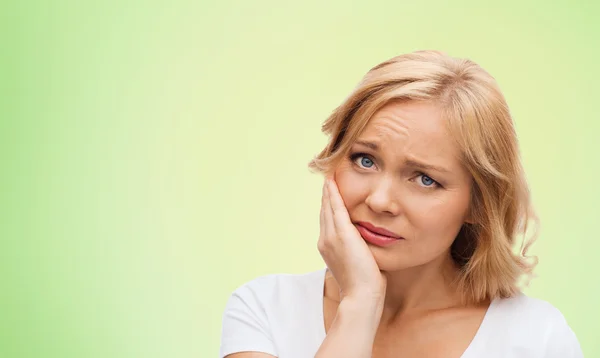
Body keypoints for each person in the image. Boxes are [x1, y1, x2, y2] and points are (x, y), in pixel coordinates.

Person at [219, 50, 583, 358]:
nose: (379, 200)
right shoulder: (265, 310)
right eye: (364, 159)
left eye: (425, 179)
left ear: (478, 204)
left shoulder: (536, 339)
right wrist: (360, 304)